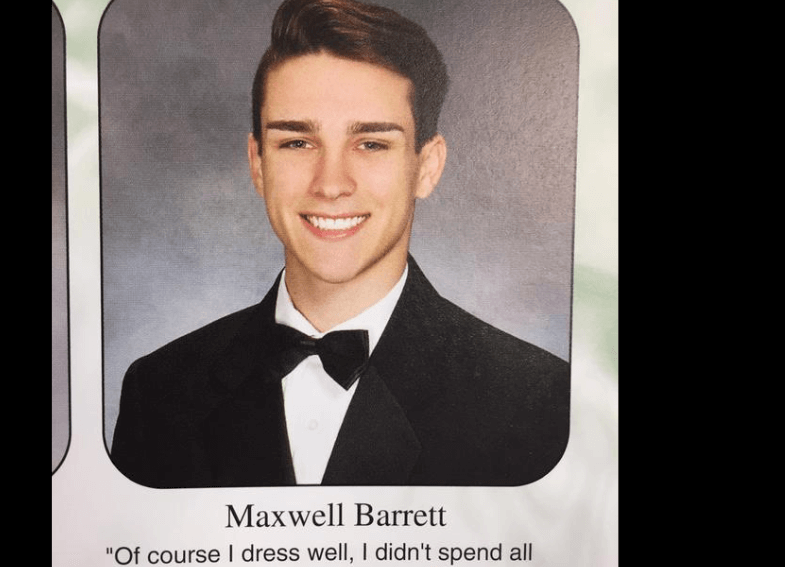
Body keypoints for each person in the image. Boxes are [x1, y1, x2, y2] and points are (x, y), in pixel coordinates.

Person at [110, 0, 569, 488]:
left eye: (371, 144)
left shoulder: (536, 398)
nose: (330, 184)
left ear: (427, 167)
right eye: (297, 142)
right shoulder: (158, 392)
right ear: (258, 164)